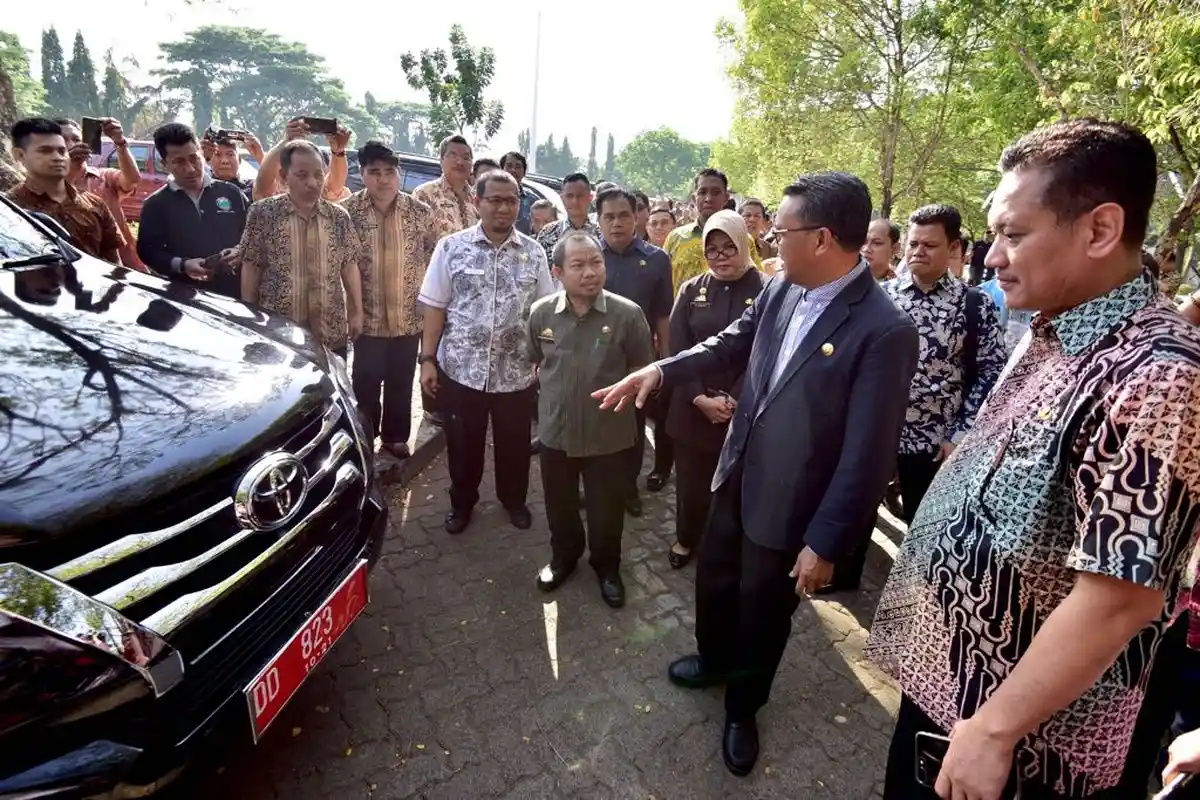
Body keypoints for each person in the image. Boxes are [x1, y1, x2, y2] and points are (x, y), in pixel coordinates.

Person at [866, 119, 1200, 800]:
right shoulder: (1054, 322)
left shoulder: (1156, 375)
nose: (992, 257)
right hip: (954, 688)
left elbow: (1118, 600)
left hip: (1026, 741)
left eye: (1014, 235)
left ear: (1100, 230)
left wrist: (993, 730)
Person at [593, 171, 918, 777]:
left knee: (764, 611)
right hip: (737, 472)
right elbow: (729, 344)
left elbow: (868, 454)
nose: (771, 243)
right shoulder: (782, 288)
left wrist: (825, 542)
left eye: (783, 232)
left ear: (821, 239)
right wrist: (661, 371)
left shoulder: (884, 330)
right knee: (714, 582)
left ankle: (743, 707)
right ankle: (713, 662)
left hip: (794, 502)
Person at [417, 170, 555, 535]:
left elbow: (545, 312)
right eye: (494, 199)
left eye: (511, 200)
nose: (503, 208)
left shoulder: (534, 252)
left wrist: (546, 360)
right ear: (477, 203)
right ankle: (462, 503)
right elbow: (435, 307)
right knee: (464, 445)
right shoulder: (451, 247)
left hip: (517, 372)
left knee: (514, 446)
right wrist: (427, 360)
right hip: (462, 370)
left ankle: (514, 500)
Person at [529, 232, 655, 608]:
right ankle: (564, 557)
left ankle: (607, 566)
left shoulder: (627, 314)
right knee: (560, 505)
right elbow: (536, 360)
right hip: (556, 433)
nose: (589, 272)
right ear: (557, 272)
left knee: (606, 509)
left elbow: (642, 367)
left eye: (595, 262)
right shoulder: (541, 315)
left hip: (609, 436)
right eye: (578, 265)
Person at [883, 204, 1006, 525]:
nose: (918, 251)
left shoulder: (975, 304)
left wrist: (960, 435)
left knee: (922, 530)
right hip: (876, 439)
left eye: (930, 245)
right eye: (913, 244)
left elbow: (992, 374)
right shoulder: (881, 298)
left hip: (933, 446)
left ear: (953, 248)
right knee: (852, 535)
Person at [665, 210, 765, 569]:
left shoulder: (767, 291)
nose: (721, 256)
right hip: (692, 406)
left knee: (732, 486)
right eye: (713, 249)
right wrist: (698, 397)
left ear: (744, 244)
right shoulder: (692, 289)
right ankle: (686, 538)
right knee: (691, 482)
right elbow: (677, 348)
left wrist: (733, 398)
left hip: (743, 409)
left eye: (729, 247)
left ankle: (724, 546)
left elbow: (765, 354)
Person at [341, 141, 439, 458]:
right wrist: (352, 310)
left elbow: (431, 257)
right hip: (366, 317)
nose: (383, 180)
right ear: (362, 174)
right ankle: (365, 438)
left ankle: (396, 438)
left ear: (398, 174)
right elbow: (344, 262)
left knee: (400, 380)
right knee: (365, 382)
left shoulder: (419, 213)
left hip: (408, 316)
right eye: (374, 172)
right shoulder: (348, 213)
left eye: (389, 172)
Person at [239, 140, 365, 357]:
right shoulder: (263, 213)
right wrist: (252, 317)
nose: (312, 182)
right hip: (279, 335)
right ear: (283, 177)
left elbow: (349, 267)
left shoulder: (338, 217)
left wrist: (356, 313)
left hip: (329, 334)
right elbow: (252, 267)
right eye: (302, 175)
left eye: (318, 175)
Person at [595, 186, 674, 515]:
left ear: (637, 216)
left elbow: (662, 315)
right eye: (609, 216)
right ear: (597, 220)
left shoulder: (656, 259)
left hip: (637, 363)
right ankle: (597, 487)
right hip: (593, 360)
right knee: (595, 426)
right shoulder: (586, 256)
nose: (617, 223)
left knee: (632, 429)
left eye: (624, 215)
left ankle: (628, 489)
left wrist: (665, 362)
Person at [137, 123, 249, 299]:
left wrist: (240, 250)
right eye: (179, 162)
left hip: (235, 297)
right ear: (165, 164)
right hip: (186, 300)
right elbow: (148, 251)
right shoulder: (156, 204)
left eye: (194, 158)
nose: (190, 168)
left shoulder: (231, 193)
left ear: (202, 154)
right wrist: (182, 265)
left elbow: (252, 233)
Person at [7, 118, 123, 264]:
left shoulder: (95, 205)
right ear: (19, 155)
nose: (58, 157)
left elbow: (114, 264)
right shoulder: (9, 209)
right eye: (45, 151)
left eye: (62, 151)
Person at [58, 117, 143, 271]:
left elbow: (133, 179)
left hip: (128, 270)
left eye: (76, 139)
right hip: (80, 272)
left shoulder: (104, 177)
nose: (71, 145)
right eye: (63, 141)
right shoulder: (49, 187)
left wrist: (120, 142)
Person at [664, 169, 761, 292]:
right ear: (694, 198)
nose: (708, 198)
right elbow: (662, 282)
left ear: (726, 198)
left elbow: (756, 281)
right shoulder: (676, 238)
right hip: (683, 309)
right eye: (702, 192)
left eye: (716, 192)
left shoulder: (743, 240)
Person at [536, 172, 602, 266]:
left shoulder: (601, 234)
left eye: (580, 196)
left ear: (590, 198)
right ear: (562, 198)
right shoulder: (547, 233)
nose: (574, 201)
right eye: (569, 196)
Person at [499, 151, 535, 235]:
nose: (513, 170)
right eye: (509, 166)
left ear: (524, 172)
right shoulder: (490, 197)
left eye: (518, 167)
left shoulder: (532, 200)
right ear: (501, 170)